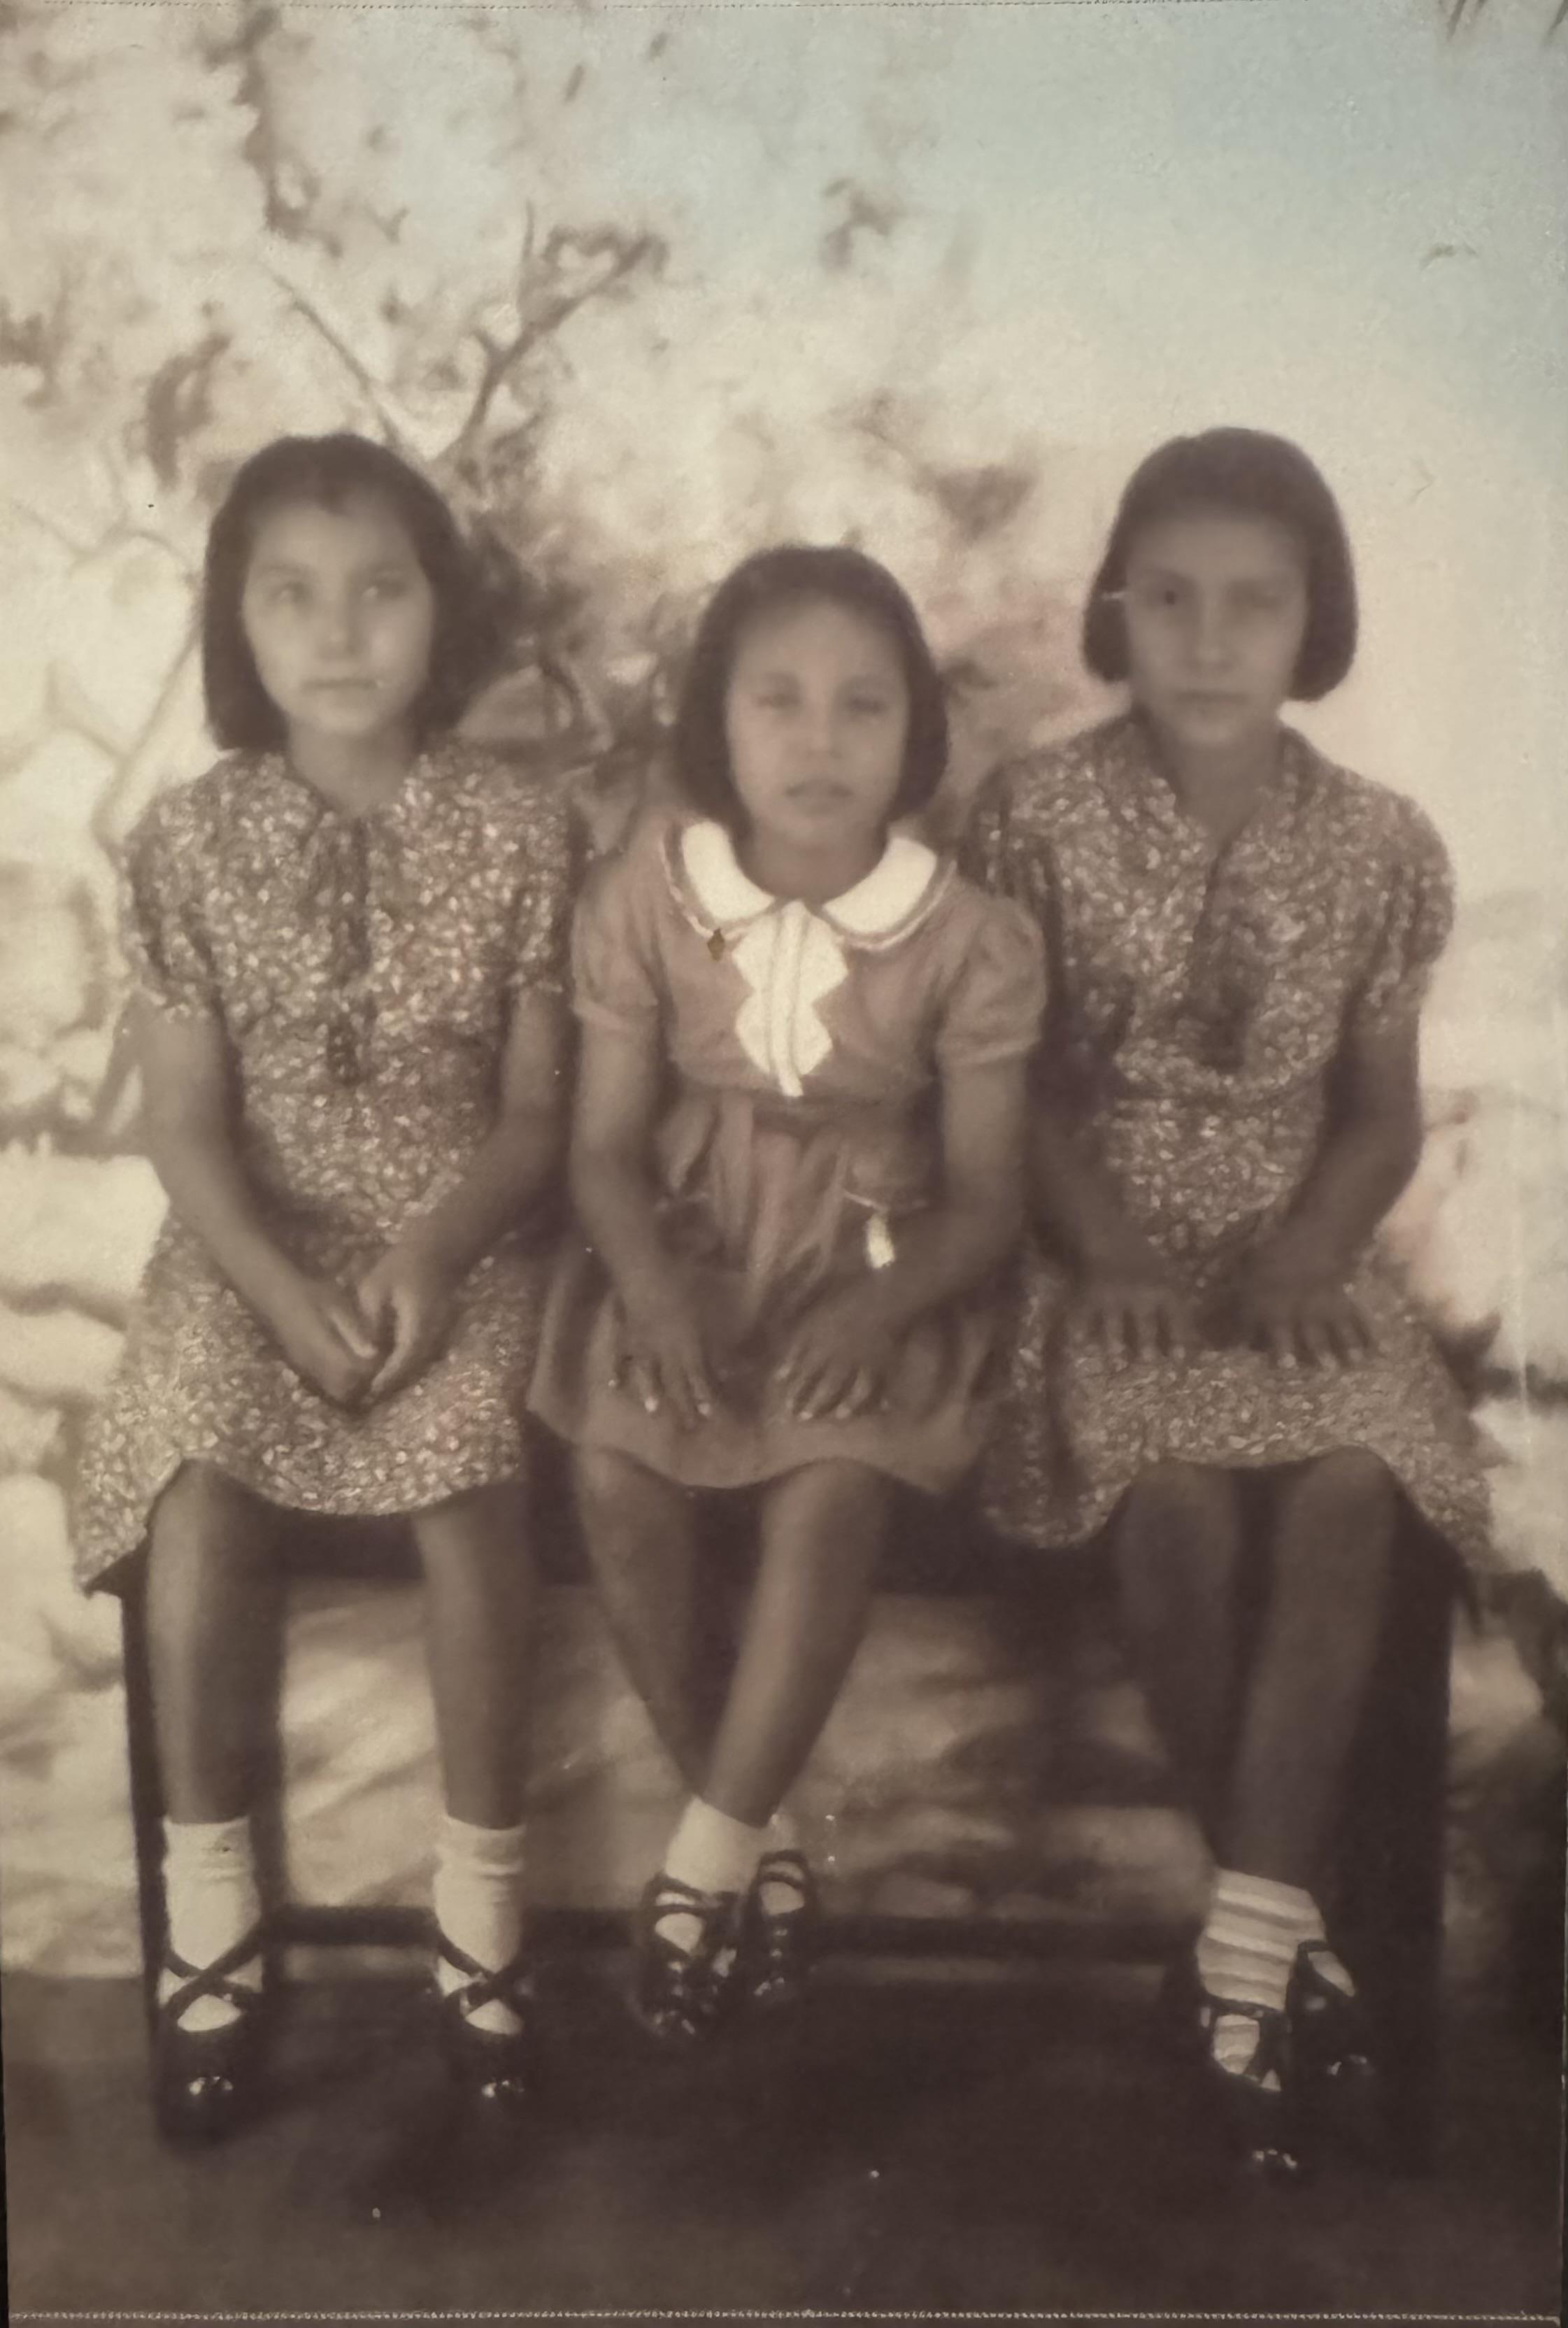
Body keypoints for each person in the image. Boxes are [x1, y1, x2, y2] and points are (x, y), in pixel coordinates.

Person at [959, 429, 1488, 2173]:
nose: (1205, 637)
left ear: (1309, 622)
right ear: (1116, 610)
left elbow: (1379, 1109)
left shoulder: (1378, 843)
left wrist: (1314, 1243)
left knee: (1350, 1483)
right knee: (1171, 1500)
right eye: (1167, 599)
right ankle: (1280, 1951)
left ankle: (1243, 1956)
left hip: (1292, 1248)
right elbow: (1011, 1088)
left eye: (1251, 603)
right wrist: (1103, 1243)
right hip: (1099, 1249)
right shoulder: (1032, 815)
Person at [73, 433, 577, 2140]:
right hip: (249, 1237)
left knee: (467, 1492)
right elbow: (189, 1126)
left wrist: (431, 1254)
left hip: (464, 1233)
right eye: (289, 592)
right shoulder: (188, 840)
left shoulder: (523, 830)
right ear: (237, 620)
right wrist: (286, 1294)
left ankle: (479, 1916)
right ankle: (211, 1917)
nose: (338, 629)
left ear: (440, 609)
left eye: (378, 587)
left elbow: (533, 1112)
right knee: (200, 1479)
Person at [529, 544, 1045, 2044]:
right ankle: (754, 1837)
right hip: (683, 1256)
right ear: (719, 725)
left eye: (860, 706)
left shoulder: (963, 937)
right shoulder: (647, 894)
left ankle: (697, 1864)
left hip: (874, 1272)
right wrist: (653, 1287)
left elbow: (992, 1196)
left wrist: (879, 1312)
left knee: (832, 1484)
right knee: (612, 1465)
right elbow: (605, 1149)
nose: (818, 740)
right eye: (779, 700)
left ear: (912, 736)